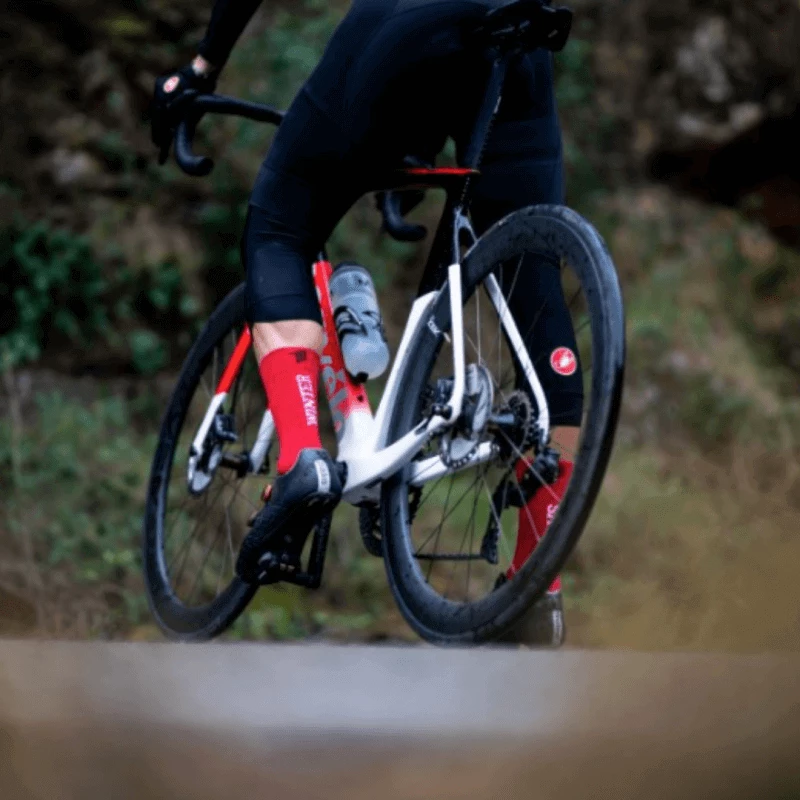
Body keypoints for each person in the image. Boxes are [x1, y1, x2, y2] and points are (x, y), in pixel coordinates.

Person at [150, 0, 583, 645]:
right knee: (534, 280)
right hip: (521, 36)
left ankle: (303, 458)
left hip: (406, 25)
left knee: (281, 221)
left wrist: (201, 66)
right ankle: (535, 582)